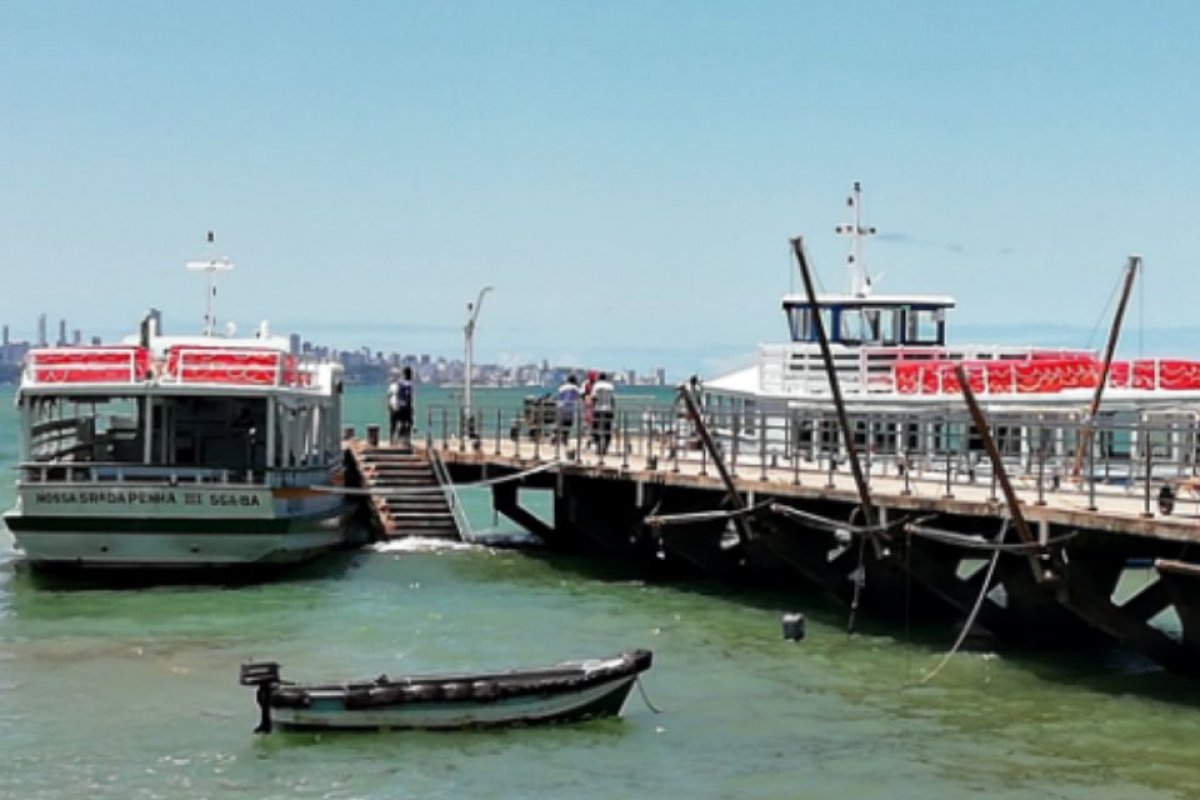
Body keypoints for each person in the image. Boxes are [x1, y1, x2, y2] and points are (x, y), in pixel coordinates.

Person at [387, 367, 415, 447]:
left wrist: (390, 405)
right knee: (407, 424)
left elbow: (391, 395)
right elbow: (409, 397)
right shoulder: (409, 384)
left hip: (395, 407)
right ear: (410, 375)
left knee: (393, 425)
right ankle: (405, 440)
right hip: (405, 407)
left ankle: (392, 441)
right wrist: (411, 408)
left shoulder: (398, 383)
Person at [591, 372, 616, 455]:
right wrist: (613, 410)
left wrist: (592, 409)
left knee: (595, 429)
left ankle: (598, 447)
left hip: (598, 409)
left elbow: (594, 398)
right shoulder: (610, 386)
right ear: (605, 378)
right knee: (607, 430)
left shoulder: (596, 386)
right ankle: (605, 448)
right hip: (608, 410)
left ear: (599, 378)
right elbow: (612, 400)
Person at [555, 374, 581, 444]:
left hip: (560, 407)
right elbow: (578, 397)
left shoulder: (562, 387)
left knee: (561, 423)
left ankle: (556, 436)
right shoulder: (575, 388)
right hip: (569, 408)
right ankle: (565, 438)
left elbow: (559, 397)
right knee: (568, 424)